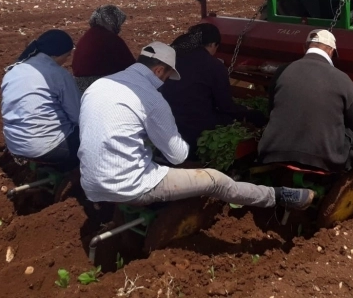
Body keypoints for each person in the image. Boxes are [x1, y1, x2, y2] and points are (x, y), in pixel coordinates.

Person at [78, 41, 314, 210]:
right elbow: (178, 156)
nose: (165, 82)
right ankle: (278, 196)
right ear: (159, 70)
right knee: (215, 180)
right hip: (130, 185)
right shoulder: (151, 98)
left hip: (90, 183)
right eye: (167, 76)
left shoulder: (100, 85)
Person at [258, 29, 353, 189]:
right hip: (327, 157)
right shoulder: (342, 79)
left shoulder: (282, 72)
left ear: (305, 48)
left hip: (274, 150)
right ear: (331, 51)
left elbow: (271, 111)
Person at [161, 23, 267, 156]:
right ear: (212, 44)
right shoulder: (214, 65)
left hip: (166, 120)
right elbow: (225, 107)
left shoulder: (174, 58)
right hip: (194, 126)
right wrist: (249, 112)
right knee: (256, 117)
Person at [0, 29, 81, 172]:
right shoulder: (59, 74)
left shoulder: (13, 71)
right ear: (58, 54)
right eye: (67, 56)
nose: (66, 60)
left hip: (14, 144)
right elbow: (78, 117)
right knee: (95, 137)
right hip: (46, 147)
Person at [72, 4, 136, 94]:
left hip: (79, 85)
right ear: (113, 21)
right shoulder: (109, 38)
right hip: (95, 85)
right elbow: (130, 65)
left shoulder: (90, 34)